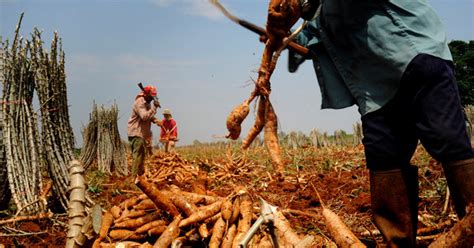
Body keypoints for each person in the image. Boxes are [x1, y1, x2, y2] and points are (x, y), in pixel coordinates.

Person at [266, 0, 474, 247]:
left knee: (449, 140)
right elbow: (310, 39)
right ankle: (398, 241)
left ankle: (471, 226)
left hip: (414, 57)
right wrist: (283, 38)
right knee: (384, 157)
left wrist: (298, 5)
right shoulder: (321, 14)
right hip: (374, 89)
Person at [127, 85, 160, 176]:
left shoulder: (147, 103)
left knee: (142, 157)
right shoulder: (139, 102)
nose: (152, 99)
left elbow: (149, 116)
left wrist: (155, 120)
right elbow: (144, 116)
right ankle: (134, 179)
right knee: (137, 157)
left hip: (142, 134)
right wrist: (154, 108)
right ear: (146, 95)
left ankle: (139, 178)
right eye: (151, 97)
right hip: (136, 132)